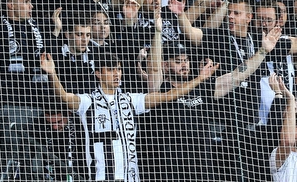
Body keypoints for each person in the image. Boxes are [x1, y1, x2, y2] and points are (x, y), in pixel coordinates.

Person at [40, 49, 219, 182]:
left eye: (118, 69)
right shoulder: (88, 101)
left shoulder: (131, 100)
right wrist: (53, 74)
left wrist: (200, 79)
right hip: (101, 176)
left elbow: (168, 95)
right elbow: (64, 97)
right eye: (110, 70)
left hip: (132, 176)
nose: (116, 74)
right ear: (98, 74)